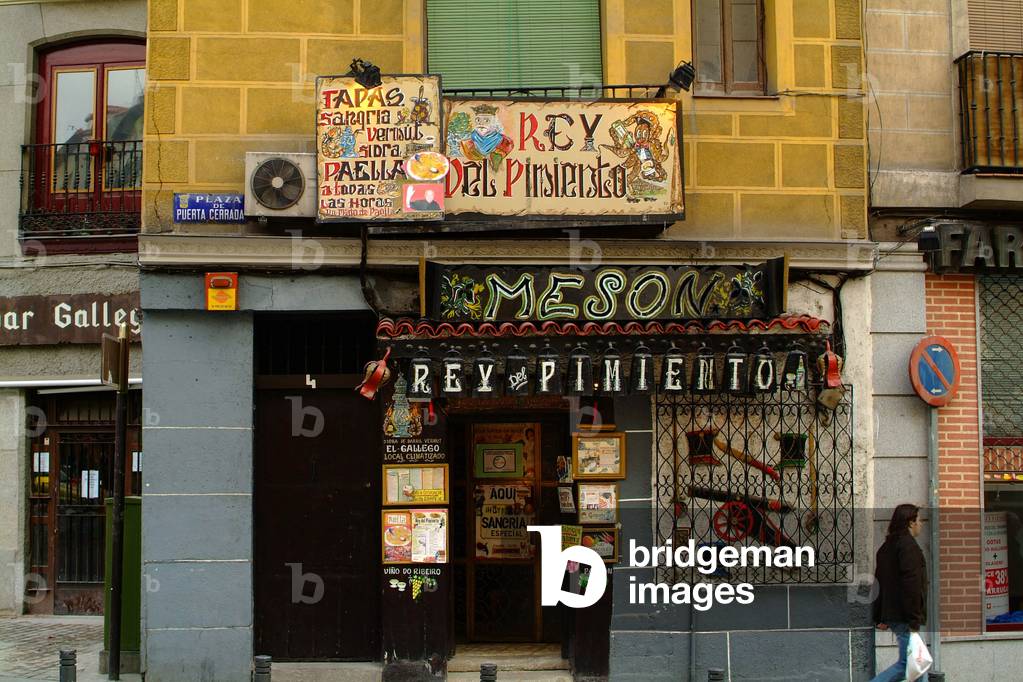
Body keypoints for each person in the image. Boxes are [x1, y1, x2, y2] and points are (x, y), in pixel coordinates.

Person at [870, 503, 928, 682]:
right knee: (907, 665)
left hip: (896, 615)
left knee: (918, 665)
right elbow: (911, 585)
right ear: (910, 522)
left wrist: (880, 615)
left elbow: (879, 582)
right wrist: (914, 619)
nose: (921, 524)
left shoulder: (886, 547)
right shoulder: (908, 547)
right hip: (905, 616)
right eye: (918, 520)